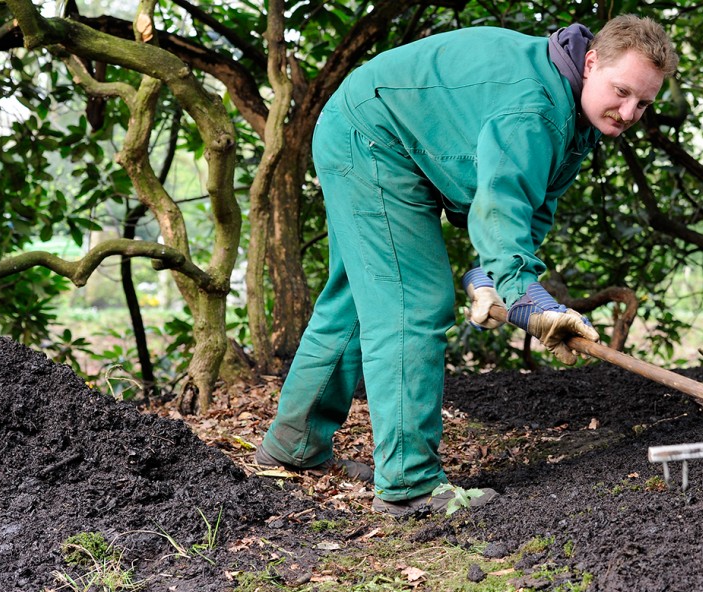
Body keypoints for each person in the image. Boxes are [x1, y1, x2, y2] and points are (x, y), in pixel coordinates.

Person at [255, 15, 678, 516]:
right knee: (416, 301)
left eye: (644, 103)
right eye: (622, 91)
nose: (629, 112)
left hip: (389, 137)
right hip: (373, 137)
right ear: (591, 63)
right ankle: (410, 485)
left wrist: (488, 278)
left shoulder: (577, 112)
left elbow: (531, 205)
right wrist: (526, 297)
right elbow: (499, 203)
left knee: (357, 299)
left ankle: (293, 445)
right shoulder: (537, 109)